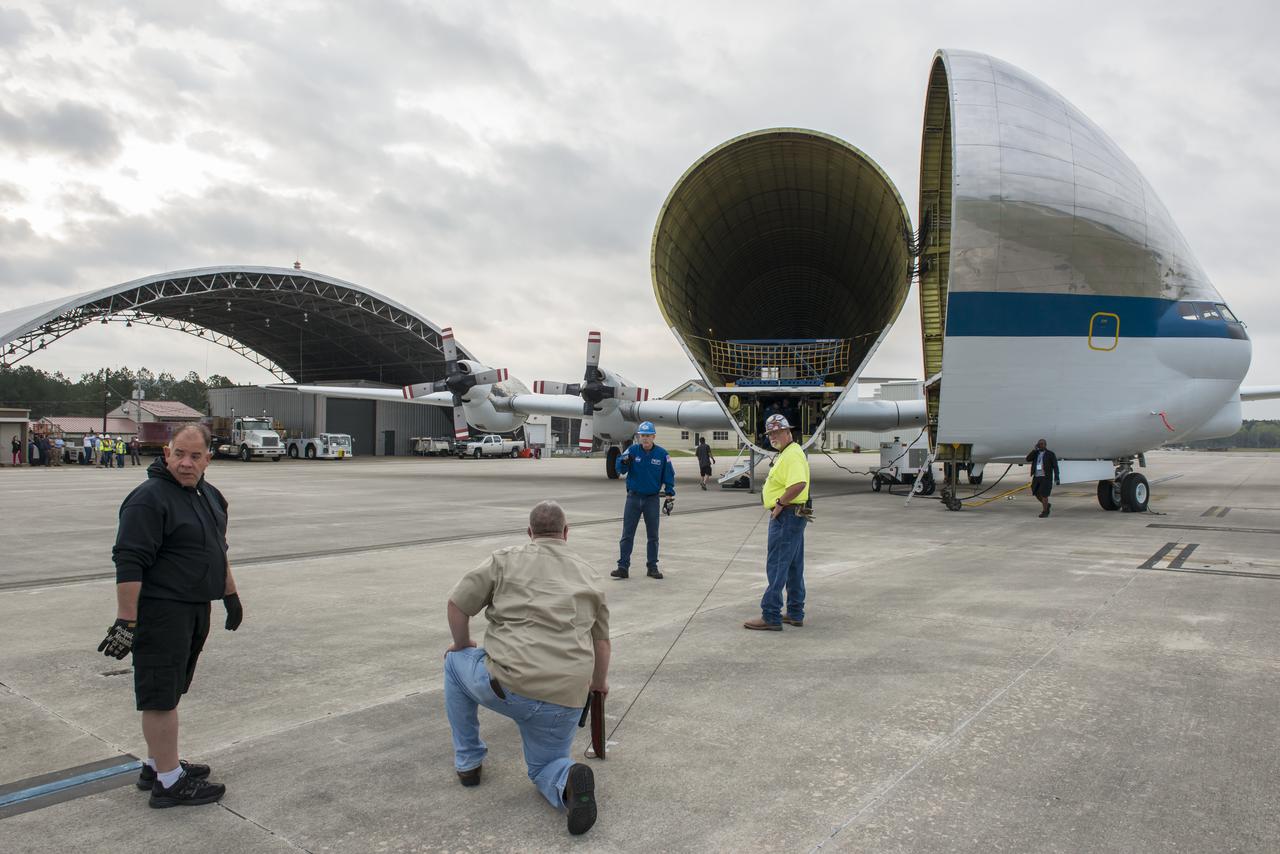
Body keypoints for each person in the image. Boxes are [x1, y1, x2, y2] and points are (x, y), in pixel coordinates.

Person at [443, 500, 609, 836]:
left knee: (453, 664)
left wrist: (461, 645)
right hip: (566, 696)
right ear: (566, 532)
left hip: (506, 684)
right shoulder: (590, 574)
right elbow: (602, 643)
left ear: (530, 533)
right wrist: (599, 685)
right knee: (544, 766)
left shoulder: (504, 559)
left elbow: (457, 605)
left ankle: (469, 763)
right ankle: (566, 781)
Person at [98, 423, 242, 808]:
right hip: (162, 611)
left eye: (195, 456)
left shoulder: (209, 496)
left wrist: (230, 594)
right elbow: (129, 562)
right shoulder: (149, 499)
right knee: (159, 696)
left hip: (195, 607)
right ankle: (168, 782)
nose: (186, 463)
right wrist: (126, 620)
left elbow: (217, 548)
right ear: (166, 454)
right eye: (179, 453)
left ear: (208, 459)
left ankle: (156, 763)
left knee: (172, 688)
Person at [744, 414, 811, 631]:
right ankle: (794, 612)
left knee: (777, 566)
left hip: (786, 516)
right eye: (771, 433)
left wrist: (780, 503)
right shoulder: (787, 453)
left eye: (778, 431)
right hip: (794, 515)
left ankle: (771, 614)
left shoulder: (791, 455)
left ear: (788, 431)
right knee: (792, 566)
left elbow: (798, 484)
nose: (774, 436)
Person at [612, 421, 675, 580]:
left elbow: (669, 476)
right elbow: (620, 469)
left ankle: (652, 567)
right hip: (633, 498)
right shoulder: (632, 451)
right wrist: (623, 462)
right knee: (627, 534)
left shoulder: (662, 454)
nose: (645, 439)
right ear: (638, 437)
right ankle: (623, 567)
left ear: (653, 436)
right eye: (642, 436)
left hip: (652, 500)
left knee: (653, 535)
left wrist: (669, 495)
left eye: (648, 436)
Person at [1026, 439, 1060, 518]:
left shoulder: (1050, 454)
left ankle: (1045, 512)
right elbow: (1028, 459)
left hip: (1046, 477)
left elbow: (1055, 466)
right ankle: (1047, 505)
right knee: (1035, 492)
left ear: (1045, 445)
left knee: (1044, 494)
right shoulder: (1036, 453)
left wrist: (1056, 477)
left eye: (1042, 444)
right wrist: (1034, 450)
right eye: (1039, 444)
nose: (1041, 445)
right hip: (1037, 476)